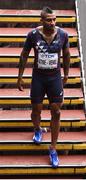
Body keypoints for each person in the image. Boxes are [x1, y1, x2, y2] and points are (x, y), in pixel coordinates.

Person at [17, 6, 70, 168]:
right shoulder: (33, 35)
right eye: (49, 20)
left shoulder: (63, 35)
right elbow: (24, 54)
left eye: (54, 19)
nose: (52, 23)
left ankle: (53, 148)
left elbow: (66, 54)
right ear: (41, 20)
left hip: (54, 78)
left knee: (56, 111)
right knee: (36, 111)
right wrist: (19, 76)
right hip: (38, 78)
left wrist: (66, 74)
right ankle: (38, 128)